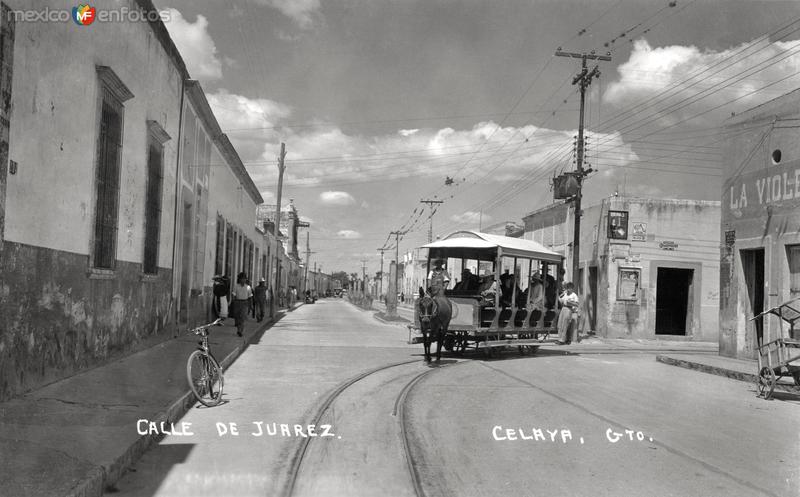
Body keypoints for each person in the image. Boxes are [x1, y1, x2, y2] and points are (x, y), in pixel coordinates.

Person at [232, 272, 253, 337]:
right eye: (242, 279)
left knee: (243, 317)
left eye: (244, 279)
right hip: (237, 302)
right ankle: (238, 329)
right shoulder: (236, 286)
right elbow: (233, 295)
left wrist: (251, 305)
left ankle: (240, 331)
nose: (243, 280)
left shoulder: (248, 287)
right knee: (237, 317)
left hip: (245, 303)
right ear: (239, 279)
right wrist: (234, 303)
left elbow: (250, 297)